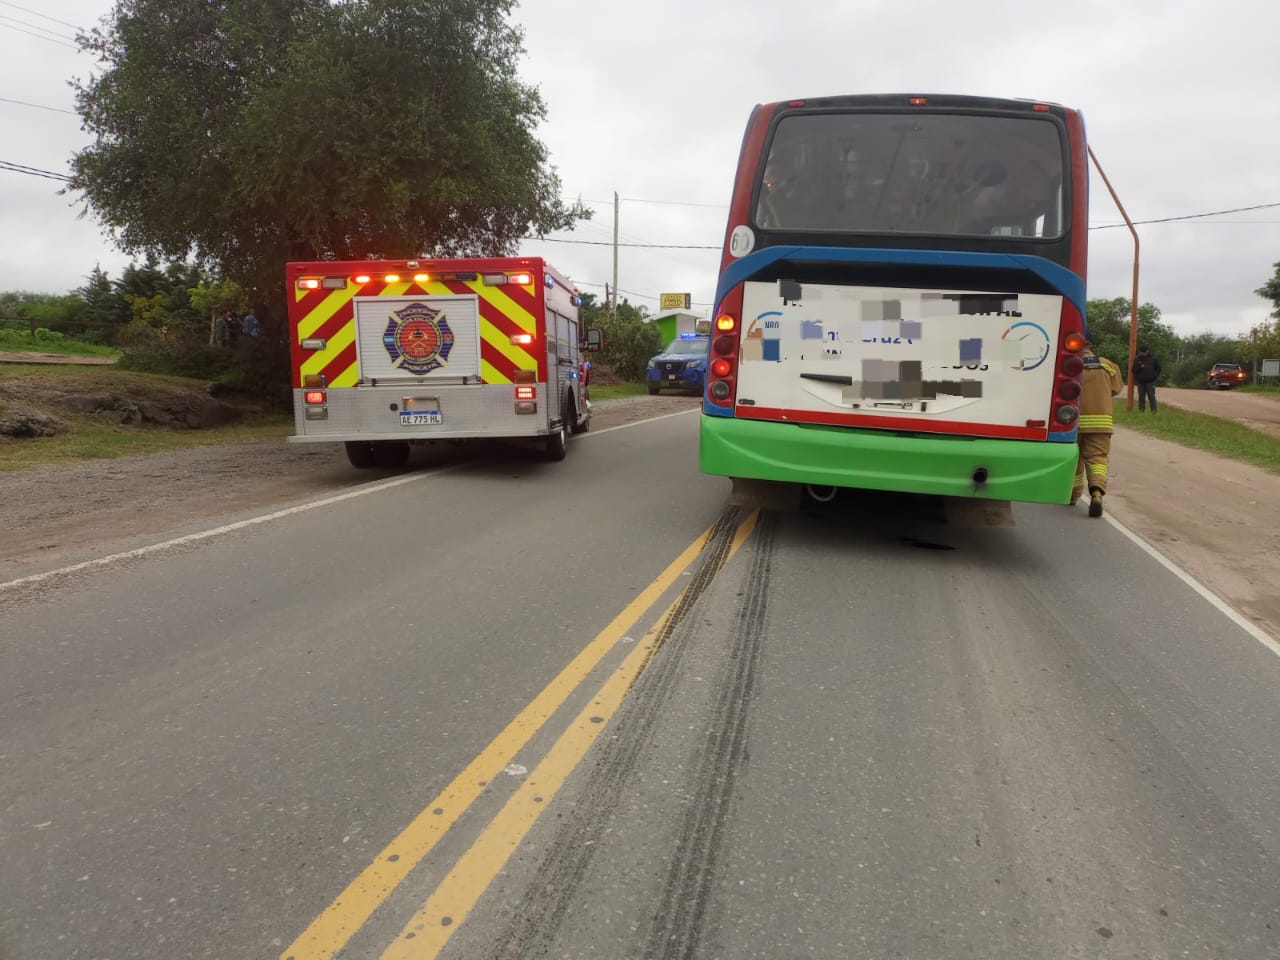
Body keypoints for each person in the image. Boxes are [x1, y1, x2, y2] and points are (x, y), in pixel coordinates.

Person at [1071, 336, 1125, 517]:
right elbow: (1116, 389)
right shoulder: (1107, 365)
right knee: (1098, 459)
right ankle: (1096, 492)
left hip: (1073, 422)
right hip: (1101, 424)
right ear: (1090, 344)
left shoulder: (1068, 364)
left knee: (1075, 460)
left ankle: (1072, 495)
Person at [1132, 343, 1161, 413]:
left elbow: (1158, 368)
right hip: (1141, 382)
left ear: (1147, 351)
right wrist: (1139, 367)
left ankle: (1154, 411)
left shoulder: (1153, 358)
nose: (1142, 353)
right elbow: (1133, 370)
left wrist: (1154, 377)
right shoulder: (1137, 359)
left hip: (1151, 382)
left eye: (1144, 352)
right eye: (1141, 352)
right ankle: (1141, 411)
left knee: (1151, 397)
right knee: (1141, 397)